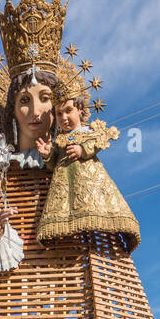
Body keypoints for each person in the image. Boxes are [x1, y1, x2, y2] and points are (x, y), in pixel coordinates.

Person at [35, 84, 140, 249]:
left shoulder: (89, 131)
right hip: (64, 185)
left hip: (88, 180)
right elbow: (53, 164)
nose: (63, 117)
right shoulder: (59, 140)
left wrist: (82, 150)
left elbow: (97, 143)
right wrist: (47, 154)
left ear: (80, 110)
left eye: (68, 110)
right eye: (59, 113)